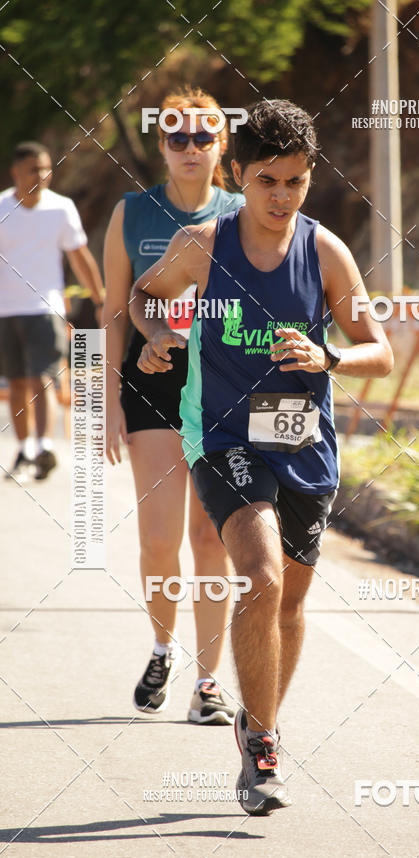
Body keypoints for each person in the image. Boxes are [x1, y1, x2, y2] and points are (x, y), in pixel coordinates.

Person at [130, 99, 393, 814]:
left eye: (297, 182)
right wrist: (156, 336)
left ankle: (257, 717)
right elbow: (144, 296)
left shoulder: (326, 251)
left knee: (290, 604)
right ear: (239, 174)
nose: (282, 197)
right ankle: (265, 745)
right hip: (224, 438)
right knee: (261, 576)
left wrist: (329, 353)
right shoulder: (203, 244)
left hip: (304, 443)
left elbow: (381, 351)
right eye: (269, 180)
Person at [103, 87, 245, 724]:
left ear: (221, 144)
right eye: (176, 136)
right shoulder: (131, 213)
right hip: (152, 382)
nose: (190, 148)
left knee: (211, 541)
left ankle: (209, 683)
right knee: (161, 540)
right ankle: (164, 646)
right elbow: (112, 313)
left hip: (224, 386)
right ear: (160, 145)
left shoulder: (246, 210)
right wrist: (104, 400)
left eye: (203, 136)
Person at [0, 141, 104, 482]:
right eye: (34, 169)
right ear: (16, 172)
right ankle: (25, 449)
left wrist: (100, 299)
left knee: (42, 377)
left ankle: (44, 446)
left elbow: (80, 256)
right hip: (6, 311)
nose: (42, 175)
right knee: (16, 383)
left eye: (46, 168)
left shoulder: (61, 208)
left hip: (45, 308)